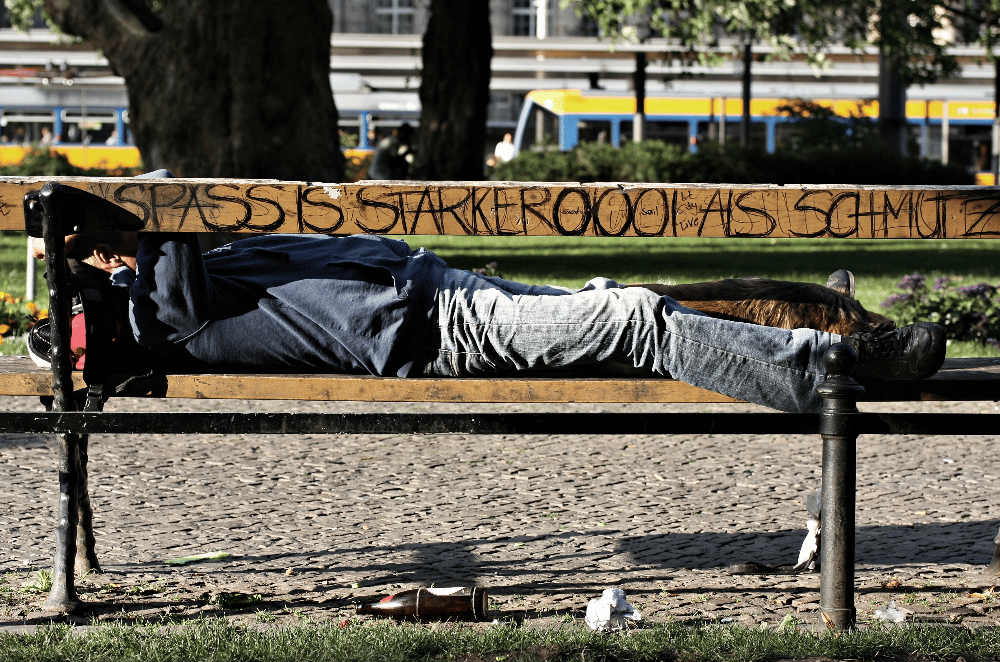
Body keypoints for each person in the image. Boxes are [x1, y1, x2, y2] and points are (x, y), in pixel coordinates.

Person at [29, 229, 946, 414]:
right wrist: (135, 249)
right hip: (436, 330)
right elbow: (178, 248)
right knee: (635, 316)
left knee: (628, 305)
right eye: (106, 259)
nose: (123, 254)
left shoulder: (184, 279)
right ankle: (834, 370)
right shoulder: (165, 305)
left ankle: (847, 343)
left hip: (444, 294)